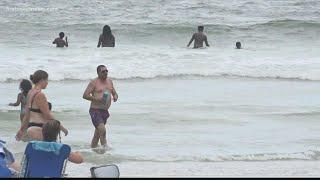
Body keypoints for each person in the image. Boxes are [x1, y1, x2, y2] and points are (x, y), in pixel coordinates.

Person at [15, 70, 68, 141]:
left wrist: (21, 130)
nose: (47, 83)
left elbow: (27, 114)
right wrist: (61, 127)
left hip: (31, 128)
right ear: (41, 80)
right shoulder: (40, 95)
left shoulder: (30, 92)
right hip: (39, 128)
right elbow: (47, 115)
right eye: (46, 80)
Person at [83, 65, 118, 152]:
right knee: (102, 130)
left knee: (98, 134)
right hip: (95, 110)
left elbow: (114, 93)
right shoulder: (94, 82)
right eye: (103, 71)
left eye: (106, 71)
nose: (105, 73)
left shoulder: (109, 81)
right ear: (98, 73)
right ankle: (105, 151)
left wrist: (115, 97)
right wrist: (97, 99)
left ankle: (93, 150)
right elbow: (85, 95)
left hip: (105, 111)